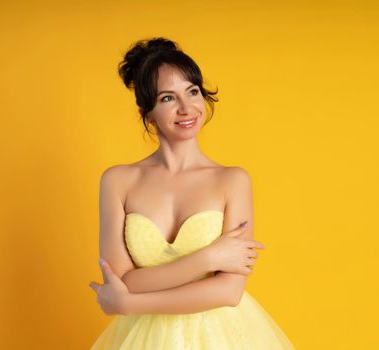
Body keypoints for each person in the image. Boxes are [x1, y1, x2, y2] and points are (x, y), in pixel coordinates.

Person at [88, 37, 296, 349]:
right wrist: (209, 258)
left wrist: (130, 304)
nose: (187, 108)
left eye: (193, 92)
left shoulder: (233, 181)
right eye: (168, 98)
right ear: (148, 113)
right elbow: (123, 281)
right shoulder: (118, 181)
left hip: (222, 338)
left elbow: (229, 291)